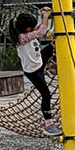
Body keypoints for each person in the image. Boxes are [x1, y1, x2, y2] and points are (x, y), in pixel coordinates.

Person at [10, 8, 60, 136]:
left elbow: (38, 28)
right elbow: (41, 31)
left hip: (39, 61)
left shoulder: (26, 33)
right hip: (33, 70)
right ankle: (48, 124)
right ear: (27, 29)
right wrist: (45, 16)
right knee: (46, 95)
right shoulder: (22, 38)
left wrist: (46, 17)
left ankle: (55, 65)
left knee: (55, 44)